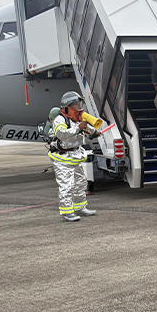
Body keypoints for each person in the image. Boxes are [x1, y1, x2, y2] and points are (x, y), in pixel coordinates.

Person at [50, 91, 97, 222]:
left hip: (75, 155)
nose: (79, 107)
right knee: (67, 185)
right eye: (76, 105)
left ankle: (80, 207)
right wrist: (78, 129)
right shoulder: (60, 119)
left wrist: (94, 132)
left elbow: (86, 128)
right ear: (67, 107)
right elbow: (62, 134)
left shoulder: (77, 119)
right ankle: (67, 212)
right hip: (62, 157)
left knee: (80, 182)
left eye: (79, 104)